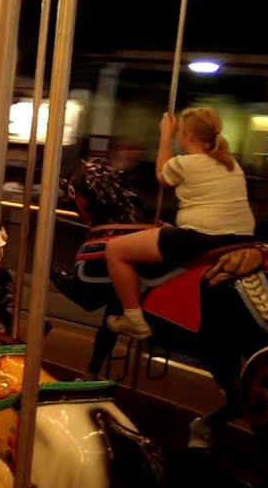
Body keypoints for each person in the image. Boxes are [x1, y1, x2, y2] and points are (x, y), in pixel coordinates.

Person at [104, 108, 255, 340]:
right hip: (240, 237)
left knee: (115, 249)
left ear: (188, 136)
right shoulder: (231, 164)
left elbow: (162, 175)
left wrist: (164, 136)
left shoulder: (186, 163)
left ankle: (133, 319)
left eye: (179, 133)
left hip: (203, 237)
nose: (177, 137)